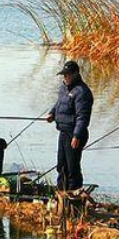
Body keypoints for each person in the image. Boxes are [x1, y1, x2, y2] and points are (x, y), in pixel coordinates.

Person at [47, 60, 93, 191]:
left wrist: (77, 135)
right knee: (61, 166)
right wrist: (52, 113)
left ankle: (74, 196)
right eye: (64, 75)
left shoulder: (82, 92)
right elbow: (59, 104)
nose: (65, 77)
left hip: (75, 134)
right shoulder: (63, 88)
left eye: (67, 75)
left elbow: (82, 117)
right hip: (63, 132)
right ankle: (61, 193)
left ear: (75, 74)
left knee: (72, 168)